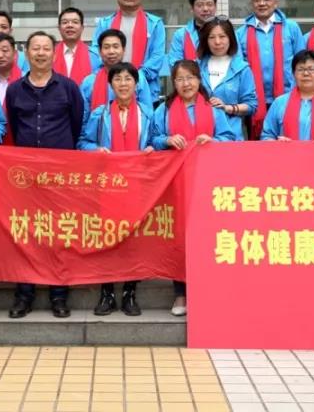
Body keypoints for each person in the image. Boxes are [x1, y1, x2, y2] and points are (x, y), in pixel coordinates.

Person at [5, 31, 84, 320]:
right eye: (35, 48)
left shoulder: (68, 88)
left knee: (58, 232)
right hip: (25, 175)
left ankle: (58, 294)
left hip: (59, 174)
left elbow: (76, 124)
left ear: (54, 53)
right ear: (26, 53)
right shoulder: (15, 89)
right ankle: (24, 295)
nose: (40, 53)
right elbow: (13, 126)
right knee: (26, 233)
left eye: (46, 48)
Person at [149, 59, 237, 318]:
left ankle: (208, 292)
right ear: (173, 83)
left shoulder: (214, 110)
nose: (186, 83)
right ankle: (181, 293)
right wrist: (167, 139)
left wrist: (213, 140)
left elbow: (230, 139)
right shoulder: (163, 111)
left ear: (199, 80)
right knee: (180, 239)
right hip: (175, 182)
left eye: (190, 78)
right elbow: (152, 139)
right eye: (180, 79)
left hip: (208, 183)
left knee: (208, 237)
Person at [77, 61, 152, 317]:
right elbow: (83, 142)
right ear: (111, 85)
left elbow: (157, 139)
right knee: (106, 237)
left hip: (138, 185)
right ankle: (107, 292)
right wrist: (95, 149)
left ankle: (130, 292)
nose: (123, 84)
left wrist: (154, 146)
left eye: (128, 79)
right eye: (118, 79)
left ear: (136, 84)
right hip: (106, 186)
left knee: (134, 239)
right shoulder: (99, 115)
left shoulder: (147, 113)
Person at [235, 0, 302, 139]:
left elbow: (302, 61)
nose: (262, 3)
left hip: (287, 96)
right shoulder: (241, 33)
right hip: (255, 100)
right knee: (258, 145)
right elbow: (240, 69)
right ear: (251, 4)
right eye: (257, 0)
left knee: (288, 141)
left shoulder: (291, 28)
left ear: (275, 2)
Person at [90, 0, 167, 100]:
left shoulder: (154, 24)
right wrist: (113, 77)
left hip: (145, 89)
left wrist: (135, 77)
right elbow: (96, 53)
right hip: (110, 89)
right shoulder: (105, 24)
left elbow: (157, 56)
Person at [196, 17, 256, 140]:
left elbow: (251, 105)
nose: (217, 42)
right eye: (212, 37)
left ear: (231, 38)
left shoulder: (242, 68)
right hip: (199, 135)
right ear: (205, 40)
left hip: (231, 136)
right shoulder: (195, 67)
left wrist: (227, 108)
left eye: (222, 36)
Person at [79, 29, 154, 116]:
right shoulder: (89, 82)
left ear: (123, 49)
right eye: (106, 47)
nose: (111, 51)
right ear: (100, 51)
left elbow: (147, 114)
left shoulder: (137, 77)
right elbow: (84, 117)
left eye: (115, 47)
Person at [167, 0, 217, 70]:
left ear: (215, 7)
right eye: (200, 5)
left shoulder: (226, 33)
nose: (205, 9)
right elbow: (175, 65)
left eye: (209, 4)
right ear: (191, 8)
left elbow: (235, 62)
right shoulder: (181, 35)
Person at [52, 7, 92, 85]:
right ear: (59, 28)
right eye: (65, 22)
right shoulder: (50, 55)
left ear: (82, 28)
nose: (70, 25)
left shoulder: (95, 56)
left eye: (75, 22)